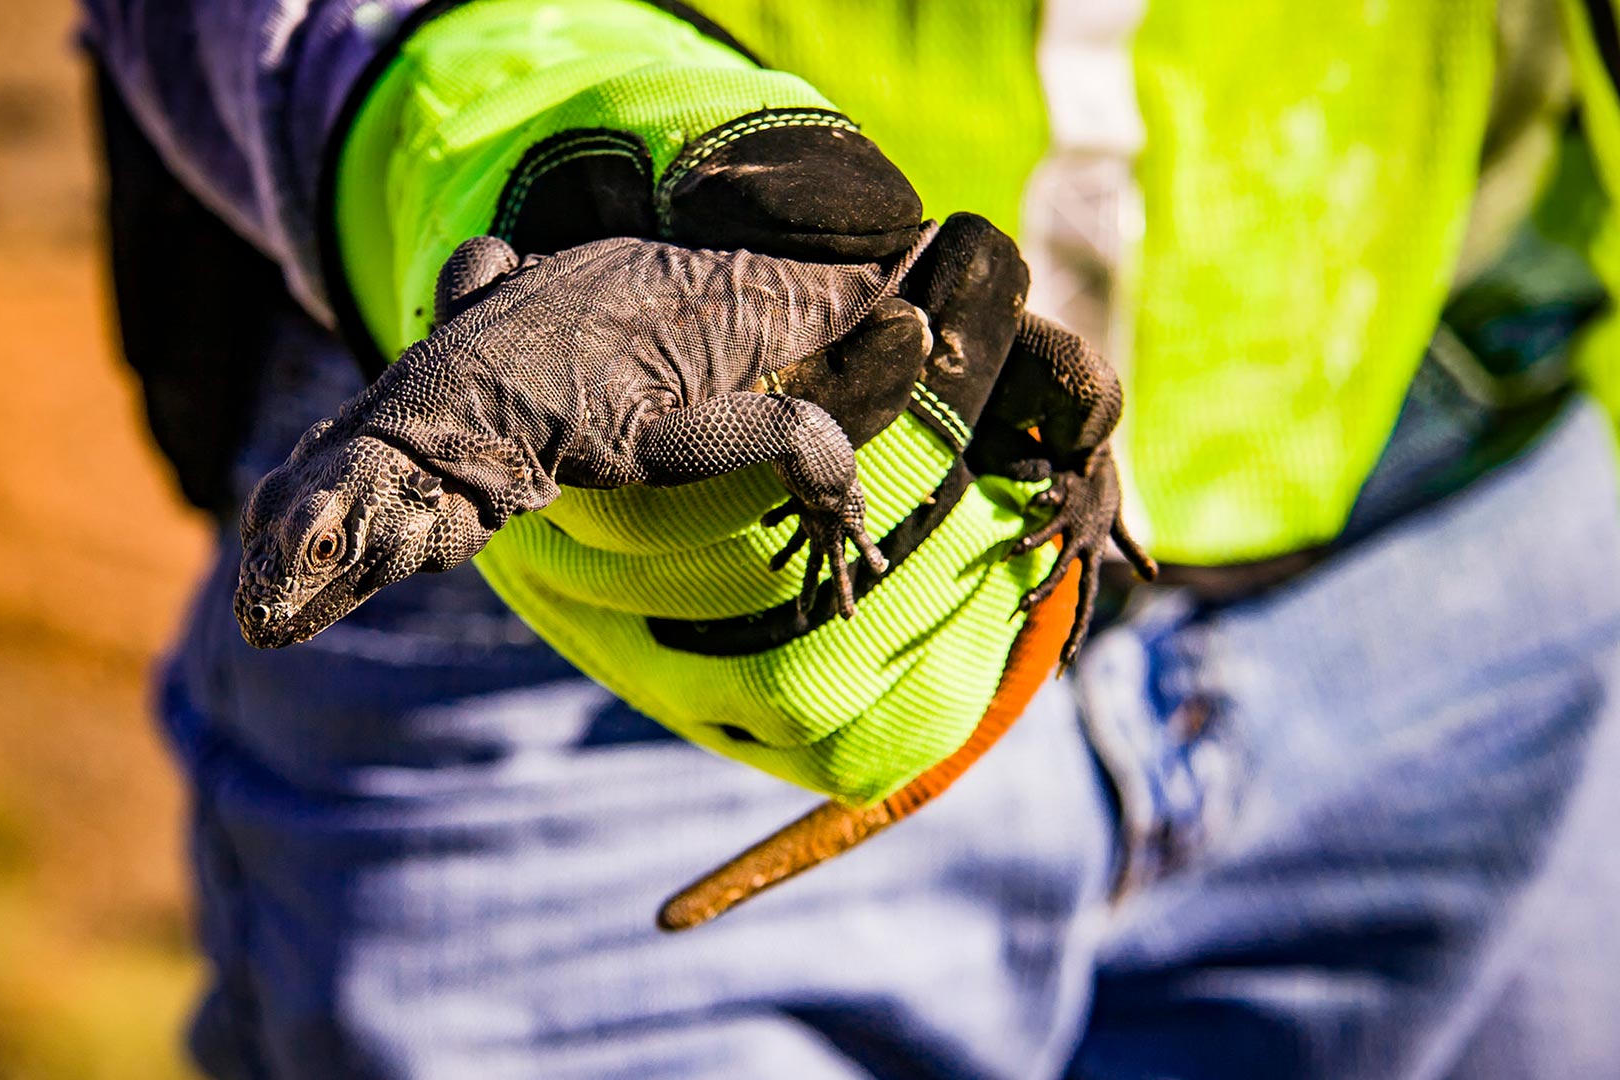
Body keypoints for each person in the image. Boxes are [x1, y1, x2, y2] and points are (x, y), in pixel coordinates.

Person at [83, 1, 1620, 1076]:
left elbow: (807, 437)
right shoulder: (570, 448)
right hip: (580, 684)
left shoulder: (605, 433)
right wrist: (454, 114)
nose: (320, 575)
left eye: (343, 547)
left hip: (1462, 505)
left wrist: (839, 515)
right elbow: (518, 270)